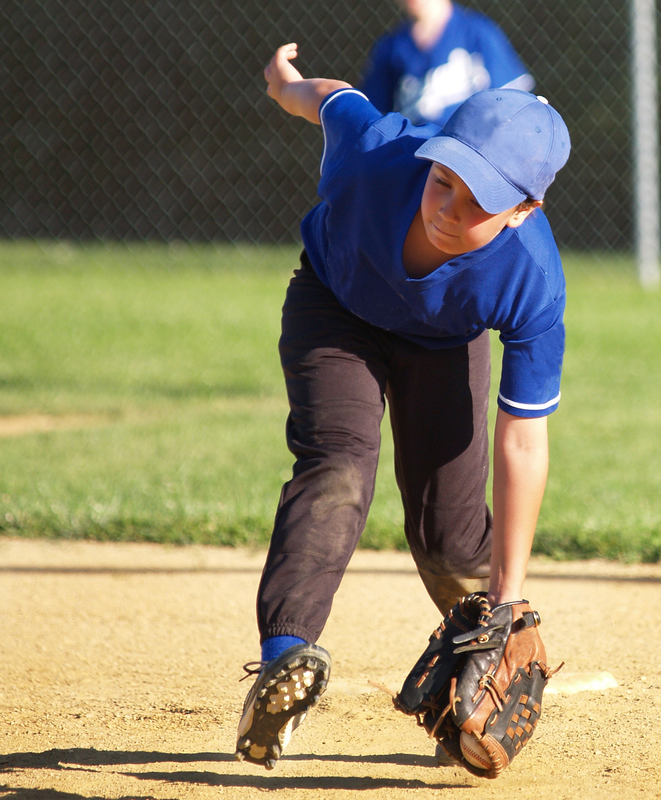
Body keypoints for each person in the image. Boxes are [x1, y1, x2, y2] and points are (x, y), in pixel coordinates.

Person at [235, 43, 570, 771]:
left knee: (449, 535)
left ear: (523, 211)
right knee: (339, 466)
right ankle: (285, 660)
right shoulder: (379, 158)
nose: (449, 207)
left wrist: (508, 601)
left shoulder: (530, 280)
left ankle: (478, 657)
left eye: (479, 199)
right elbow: (334, 100)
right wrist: (285, 84)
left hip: (443, 341)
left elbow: (522, 442)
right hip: (337, 307)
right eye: (445, 179)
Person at [360, 0, 534, 126]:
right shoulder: (391, 47)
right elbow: (374, 115)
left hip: (472, 153)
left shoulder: (478, 32)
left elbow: (514, 105)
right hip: (418, 155)